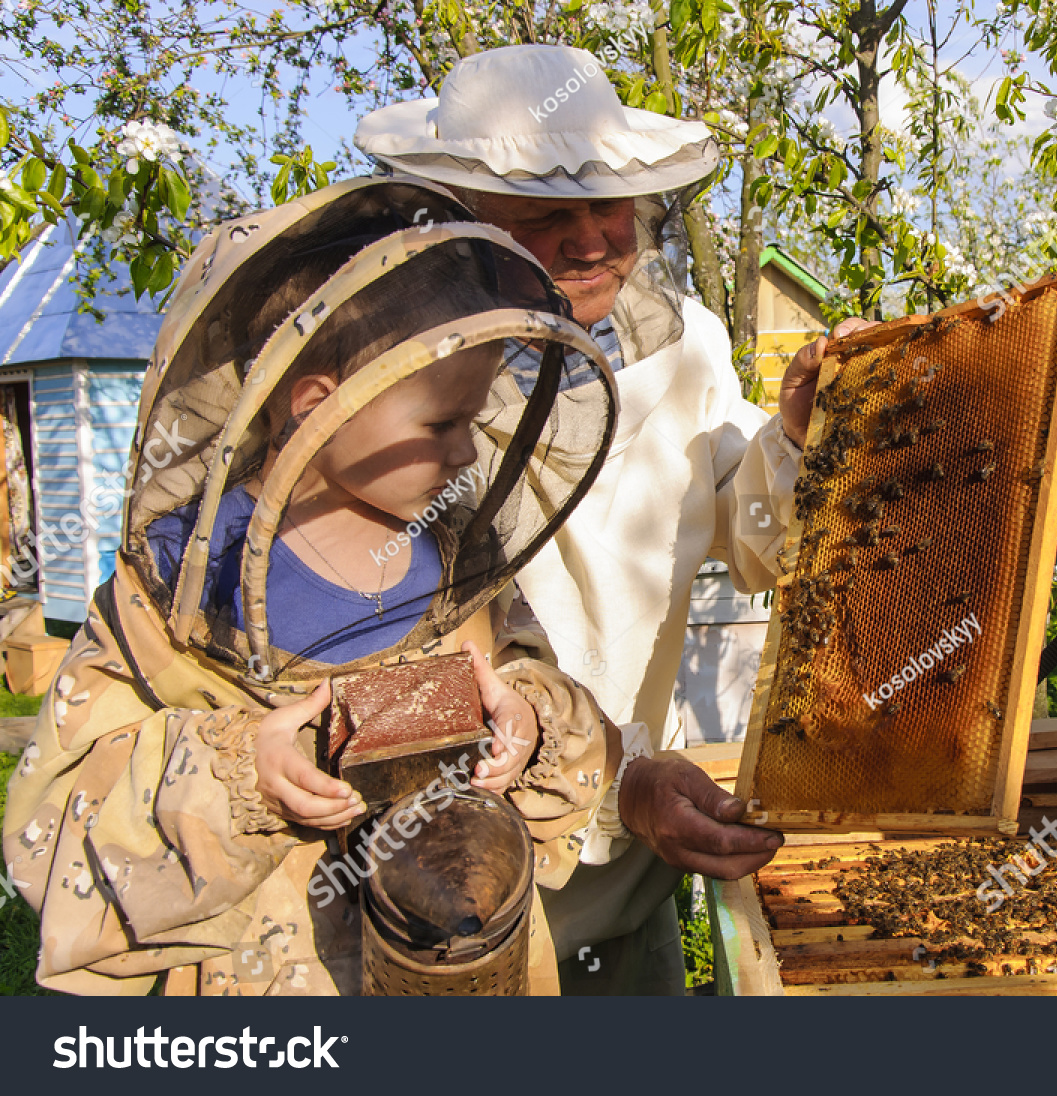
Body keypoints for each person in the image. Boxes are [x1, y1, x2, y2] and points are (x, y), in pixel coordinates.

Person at [1, 177, 624, 994]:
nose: (470, 454)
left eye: (474, 421)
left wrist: (519, 715)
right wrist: (244, 775)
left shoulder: (447, 551)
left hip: (457, 956)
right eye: (442, 425)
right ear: (316, 408)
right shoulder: (183, 585)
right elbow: (59, 815)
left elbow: (520, 676)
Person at [355, 43, 870, 993]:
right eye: (548, 214)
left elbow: (759, 543)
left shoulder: (685, 344)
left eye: (609, 206)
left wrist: (800, 436)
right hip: (446, 872)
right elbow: (384, 668)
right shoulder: (386, 390)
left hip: (636, 848)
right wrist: (604, 784)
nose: (591, 240)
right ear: (463, 216)